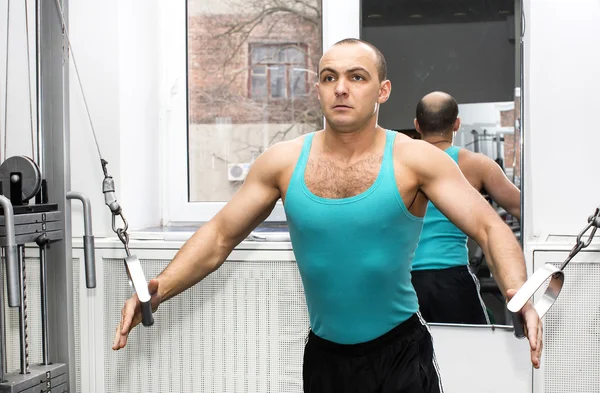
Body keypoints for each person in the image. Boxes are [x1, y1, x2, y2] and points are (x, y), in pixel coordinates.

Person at [112, 39, 542, 393]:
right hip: (325, 359)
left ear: (382, 90)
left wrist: (516, 293)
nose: (341, 88)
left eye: (357, 77)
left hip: (401, 355)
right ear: (317, 89)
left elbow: (489, 226)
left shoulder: (415, 160)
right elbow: (221, 234)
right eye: (329, 77)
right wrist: (160, 287)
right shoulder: (281, 162)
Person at [411, 91, 521, 325]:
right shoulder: (476, 165)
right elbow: (520, 208)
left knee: (409, 356)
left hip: (405, 282)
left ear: (417, 125)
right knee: (474, 352)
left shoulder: (399, 165)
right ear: (457, 124)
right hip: (452, 278)